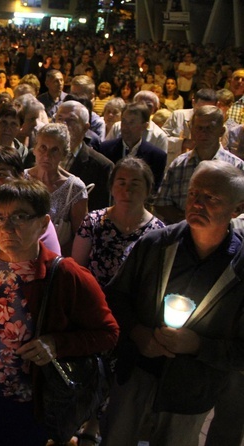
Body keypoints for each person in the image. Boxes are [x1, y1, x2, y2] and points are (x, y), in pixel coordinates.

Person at [0, 178, 119, 446]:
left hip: (30, 403)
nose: (7, 227)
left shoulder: (66, 275)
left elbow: (109, 333)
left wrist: (56, 344)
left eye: (20, 217)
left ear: (44, 223)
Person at [101, 160, 244, 446]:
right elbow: (115, 297)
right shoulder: (156, 245)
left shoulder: (240, 270)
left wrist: (198, 345)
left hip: (192, 389)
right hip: (137, 373)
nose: (197, 204)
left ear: (237, 209)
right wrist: (139, 333)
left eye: (211, 198)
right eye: (193, 194)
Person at [72, 157, 165, 288]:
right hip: (93, 302)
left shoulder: (159, 232)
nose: (127, 190)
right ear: (111, 188)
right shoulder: (92, 222)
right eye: (121, 183)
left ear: (148, 189)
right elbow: (77, 271)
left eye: (135, 184)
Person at [156, 106, 244, 224]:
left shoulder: (237, 167)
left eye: (210, 128)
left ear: (221, 131)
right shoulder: (178, 165)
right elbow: (161, 203)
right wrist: (188, 222)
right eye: (199, 128)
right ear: (192, 130)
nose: (204, 133)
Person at [25, 123, 88, 255]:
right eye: (43, 147)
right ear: (34, 149)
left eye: (54, 150)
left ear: (64, 154)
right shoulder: (20, 179)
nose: (47, 155)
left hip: (57, 260)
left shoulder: (75, 188)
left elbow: (81, 236)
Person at [55, 100, 114, 212]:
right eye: (60, 118)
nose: (63, 125)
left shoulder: (101, 166)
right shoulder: (38, 154)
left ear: (85, 127)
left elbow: (100, 212)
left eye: (71, 120)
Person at [99, 103, 168, 191]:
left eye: (131, 122)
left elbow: (153, 191)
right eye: (124, 121)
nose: (125, 127)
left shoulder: (157, 156)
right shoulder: (104, 149)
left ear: (145, 126)